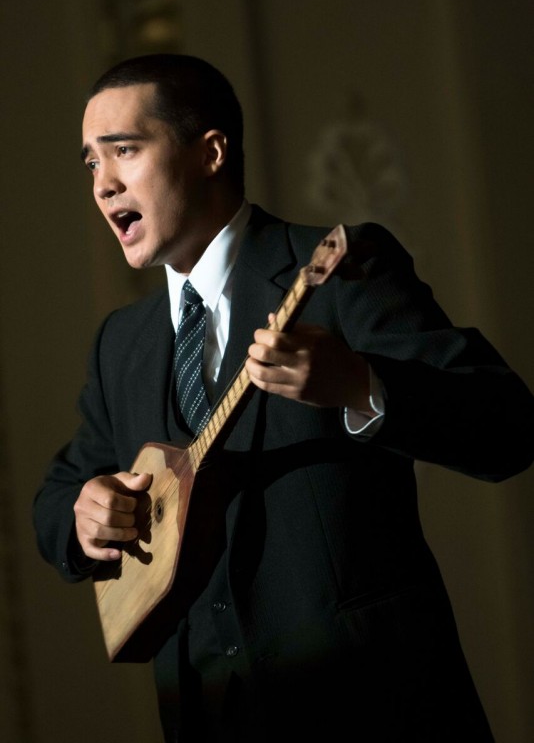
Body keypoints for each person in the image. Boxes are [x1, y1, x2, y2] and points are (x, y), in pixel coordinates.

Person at [33, 53, 534, 742]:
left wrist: (360, 385)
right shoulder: (120, 343)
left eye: (124, 151)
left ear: (210, 153)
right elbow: (57, 496)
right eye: (92, 162)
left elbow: (507, 426)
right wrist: (84, 515)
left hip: (374, 708)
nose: (103, 183)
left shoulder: (342, 269)